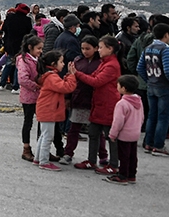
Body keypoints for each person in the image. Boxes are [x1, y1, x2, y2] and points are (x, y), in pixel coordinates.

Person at [72, 36, 123, 174]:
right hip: (99, 102)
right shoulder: (104, 62)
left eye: (101, 47)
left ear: (110, 49)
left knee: (110, 135)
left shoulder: (112, 65)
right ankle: (91, 160)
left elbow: (96, 81)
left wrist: (77, 74)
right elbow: (94, 76)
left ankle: (114, 164)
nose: (99, 50)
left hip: (108, 102)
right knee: (93, 133)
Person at [137, 23, 169, 156]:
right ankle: (158, 146)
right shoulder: (166, 48)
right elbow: (168, 70)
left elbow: (140, 68)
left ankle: (148, 143)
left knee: (152, 115)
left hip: (152, 85)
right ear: (167, 35)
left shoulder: (148, 47)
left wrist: (148, 80)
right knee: (163, 117)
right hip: (164, 87)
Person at [59, 35, 100, 165]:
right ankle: (68, 153)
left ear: (96, 48)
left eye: (88, 48)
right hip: (78, 98)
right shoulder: (78, 61)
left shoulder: (101, 63)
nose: (85, 51)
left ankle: (100, 156)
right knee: (73, 129)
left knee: (96, 132)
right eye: (82, 48)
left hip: (94, 101)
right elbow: (70, 78)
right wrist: (67, 97)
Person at [34, 50, 77, 171]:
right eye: (61, 62)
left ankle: (38, 158)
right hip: (49, 110)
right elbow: (66, 87)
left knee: (44, 135)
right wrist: (72, 75)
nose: (63, 64)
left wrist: (68, 75)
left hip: (46, 109)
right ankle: (43, 161)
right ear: (53, 63)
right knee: (48, 136)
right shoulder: (52, 76)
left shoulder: (49, 76)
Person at [106, 75, 144, 184]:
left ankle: (122, 175)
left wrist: (112, 135)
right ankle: (132, 175)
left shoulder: (122, 103)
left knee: (124, 156)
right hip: (135, 132)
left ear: (123, 88)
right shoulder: (138, 101)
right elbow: (142, 117)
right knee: (132, 155)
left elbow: (118, 122)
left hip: (124, 134)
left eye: (118, 85)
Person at [16, 35, 43, 162]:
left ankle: (41, 149)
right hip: (29, 96)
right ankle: (26, 148)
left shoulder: (36, 59)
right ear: (30, 47)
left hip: (39, 96)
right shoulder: (24, 61)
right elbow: (23, 79)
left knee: (42, 122)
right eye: (38, 48)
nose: (40, 51)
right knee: (28, 122)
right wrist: (37, 86)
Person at [0, 3, 33, 91]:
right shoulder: (27, 20)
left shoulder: (10, 18)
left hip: (10, 44)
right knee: (18, 66)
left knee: (8, 64)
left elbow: (3, 29)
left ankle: (1, 84)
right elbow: (29, 33)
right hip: (21, 45)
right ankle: (15, 87)